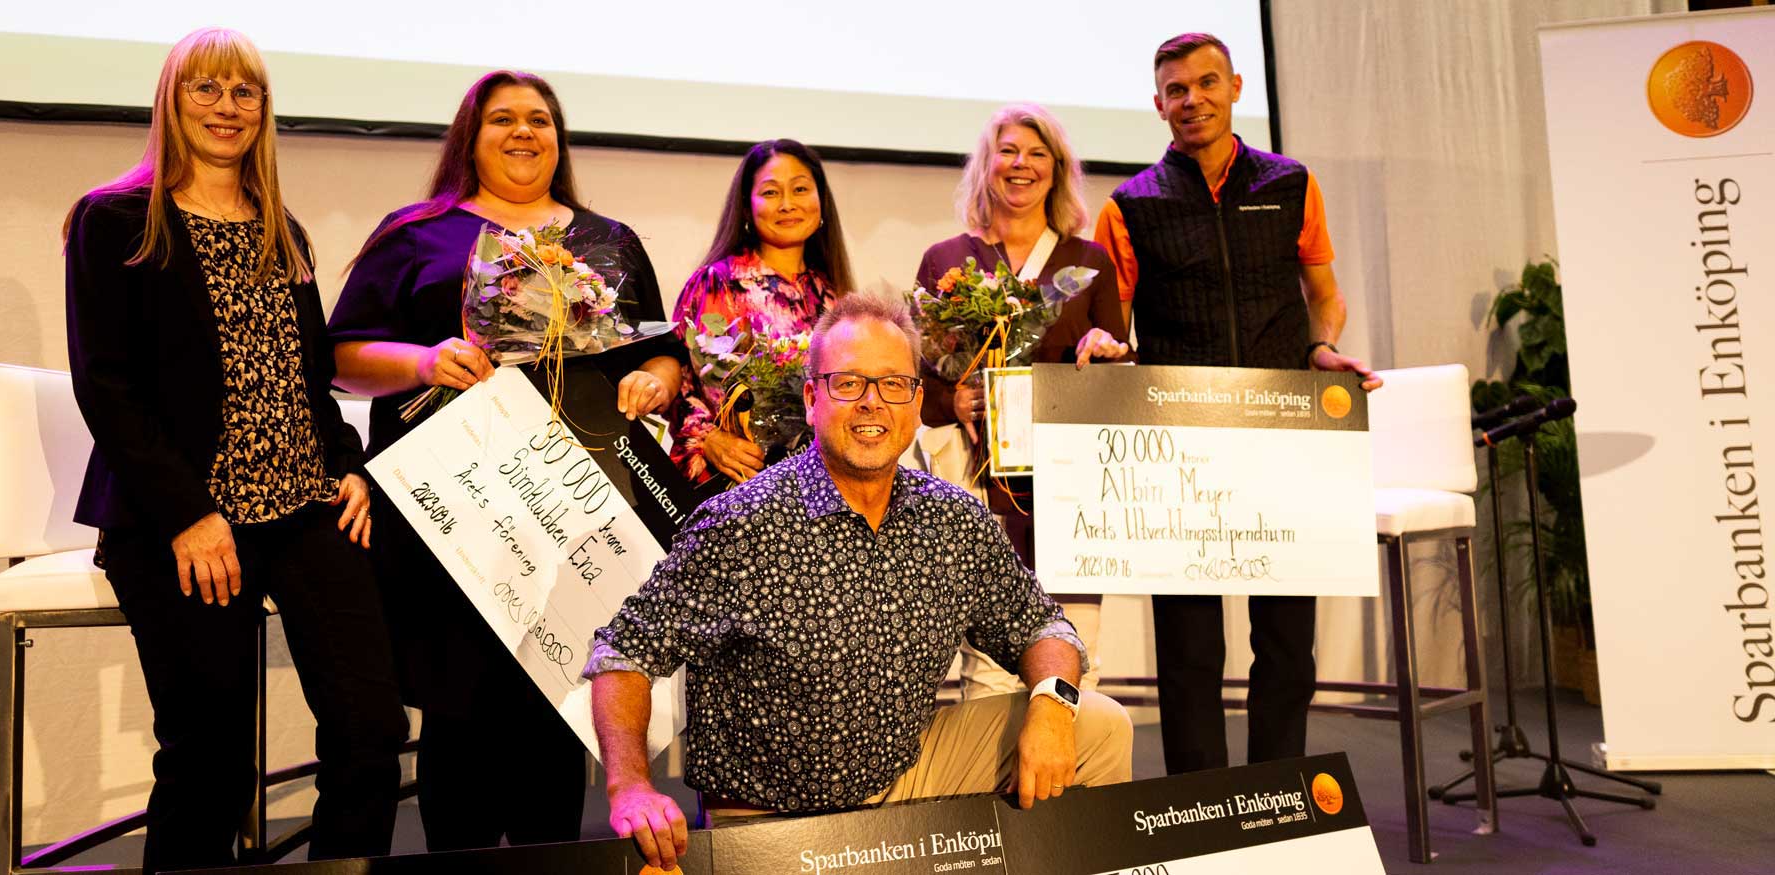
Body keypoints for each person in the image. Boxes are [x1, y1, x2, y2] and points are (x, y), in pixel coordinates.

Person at [586, 291, 1133, 870]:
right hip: (770, 823)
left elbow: (1041, 625)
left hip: (903, 776)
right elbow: (626, 653)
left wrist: (1052, 705)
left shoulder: (949, 518)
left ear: (917, 401)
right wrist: (630, 787)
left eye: (893, 384)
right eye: (848, 384)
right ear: (812, 397)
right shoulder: (743, 523)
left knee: (1097, 723)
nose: (873, 403)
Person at [62, 27, 406, 872]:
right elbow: (106, 387)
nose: (227, 107)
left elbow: (309, 379)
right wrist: (188, 515)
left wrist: (349, 468)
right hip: (180, 517)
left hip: (301, 502)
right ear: (171, 101)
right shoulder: (113, 221)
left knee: (372, 730)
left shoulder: (277, 228)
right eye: (206, 89)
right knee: (209, 755)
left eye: (244, 92)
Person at [327, 70, 684, 851]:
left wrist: (651, 383)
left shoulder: (607, 240)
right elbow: (344, 357)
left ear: (559, 138)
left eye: (540, 120)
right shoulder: (414, 233)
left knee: (559, 702)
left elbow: (663, 356)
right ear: (469, 136)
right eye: (502, 119)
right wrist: (425, 362)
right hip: (450, 511)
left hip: (570, 510)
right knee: (458, 712)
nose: (523, 133)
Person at [1093, 32, 1381, 775]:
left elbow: (1324, 295)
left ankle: (1277, 795)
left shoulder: (1292, 184)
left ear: (1236, 87)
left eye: (1207, 83)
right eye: (1178, 90)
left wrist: (1322, 348)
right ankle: (1201, 808)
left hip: (1285, 431)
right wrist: (1105, 350)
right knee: (1189, 650)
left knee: (1287, 641)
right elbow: (1114, 324)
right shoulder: (1128, 206)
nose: (1194, 100)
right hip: (1178, 445)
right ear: (1159, 105)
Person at [915, 103, 1131, 699]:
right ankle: (989, 783)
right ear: (987, 165)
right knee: (987, 663)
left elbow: (1121, 366)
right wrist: (953, 401)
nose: (1022, 165)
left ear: (1058, 170)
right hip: (978, 483)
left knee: (1076, 648)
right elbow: (918, 380)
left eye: (1038, 154)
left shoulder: (1088, 262)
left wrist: (1109, 348)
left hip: (1069, 486)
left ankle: (1078, 777)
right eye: (1008, 151)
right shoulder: (946, 260)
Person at [671, 139, 853, 485]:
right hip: (737, 480)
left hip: (821, 484)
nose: (787, 204)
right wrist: (709, 438)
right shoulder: (718, 282)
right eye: (770, 193)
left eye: (800, 189)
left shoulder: (835, 296)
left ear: (821, 201)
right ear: (746, 206)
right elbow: (680, 385)